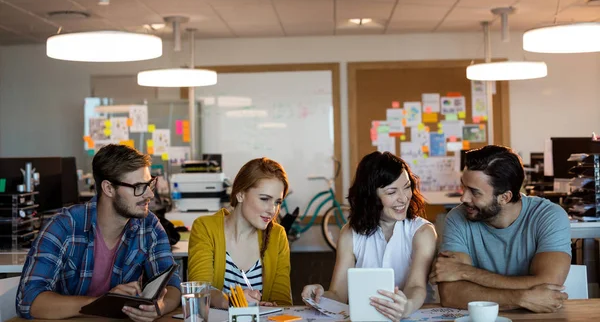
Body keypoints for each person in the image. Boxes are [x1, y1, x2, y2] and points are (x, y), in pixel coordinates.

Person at [16, 144, 181, 321]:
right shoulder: (64, 226)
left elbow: (173, 286)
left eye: (149, 184)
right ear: (108, 188)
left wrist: (160, 307)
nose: (149, 194)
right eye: (139, 186)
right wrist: (101, 303)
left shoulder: (149, 227)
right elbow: (29, 300)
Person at [430, 145, 571, 313]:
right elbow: (451, 295)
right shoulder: (457, 218)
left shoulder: (549, 216)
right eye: (464, 187)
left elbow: (550, 285)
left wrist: (466, 273)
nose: (463, 197)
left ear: (505, 197)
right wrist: (521, 298)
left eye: (474, 192)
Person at [302, 151, 437, 322]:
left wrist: (406, 306)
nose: (403, 198)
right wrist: (319, 296)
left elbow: (416, 286)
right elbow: (338, 293)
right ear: (371, 196)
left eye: (407, 187)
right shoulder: (350, 234)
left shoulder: (422, 232)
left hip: (413, 317)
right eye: (391, 192)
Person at [188, 157, 292, 308]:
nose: (272, 210)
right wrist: (231, 301)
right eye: (264, 199)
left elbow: (282, 302)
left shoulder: (277, 235)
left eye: (277, 202)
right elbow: (200, 290)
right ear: (240, 194)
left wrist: (272, 307)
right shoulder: (205, 228)